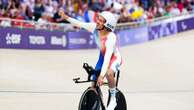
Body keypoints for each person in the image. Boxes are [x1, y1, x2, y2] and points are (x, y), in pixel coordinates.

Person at [59, 9, 122, 110]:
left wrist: (102, 76)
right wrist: (66, 17)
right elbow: (80, 24)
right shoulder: (94, 28)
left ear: (108, 25)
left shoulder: (111, 37)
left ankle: (113, 98)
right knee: (94, 82)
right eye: (99, 19)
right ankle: (98, 103)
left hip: (113, 58)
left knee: (109, 73)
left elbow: (107, 58)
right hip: (102, 57)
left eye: (101, 21)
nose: (98, 21)